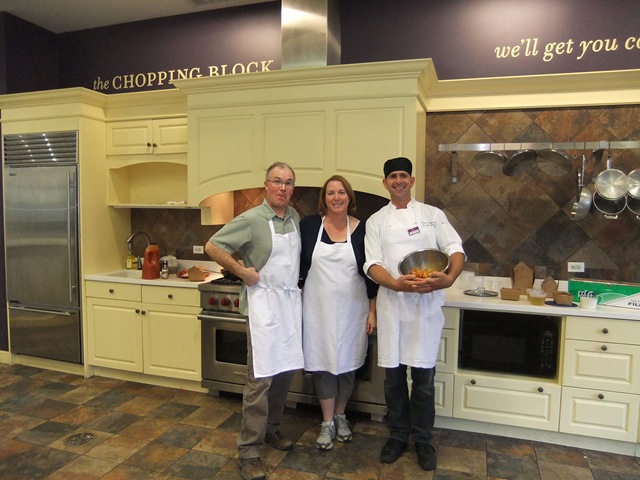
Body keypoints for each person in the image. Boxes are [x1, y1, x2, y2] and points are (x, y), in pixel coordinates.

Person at [363, 157, 465, 471]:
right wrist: (396, 283)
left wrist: (450, 278)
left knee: (423, 380)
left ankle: (422, 440)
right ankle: (397, 436)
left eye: (403, 175)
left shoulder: (432, 215)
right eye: (392, 176)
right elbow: (371, 263)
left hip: (425, 309)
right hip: (393, 307)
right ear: (385, 183)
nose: (398, 181)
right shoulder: (376, 221)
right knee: (393, 381)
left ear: (412, 180)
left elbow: (455, 248)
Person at [204, 162, 303, 480]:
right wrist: (241, 271)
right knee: (260, 381)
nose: (283, 188)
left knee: (284, 375)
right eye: (277, 181)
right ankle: (248, 450)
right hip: (262, 309)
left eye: (289, 183)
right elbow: (212, 246)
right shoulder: (251, 219)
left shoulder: (294, 216)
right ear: (266, 185)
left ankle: (272, 429)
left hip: (288, 307)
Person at [299, 175, 378, 451]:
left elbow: (370, 274)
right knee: (322, 366)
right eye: (330, 193)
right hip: (316, 310)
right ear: (324, 198)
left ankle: (341, 416)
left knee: (347, 365)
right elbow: (297, 264)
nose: (336, 197)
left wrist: (372, 311)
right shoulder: (310, 226)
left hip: (352, 311)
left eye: (341, 192)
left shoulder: (362, 230)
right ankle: (327, 422)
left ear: (349, 197)